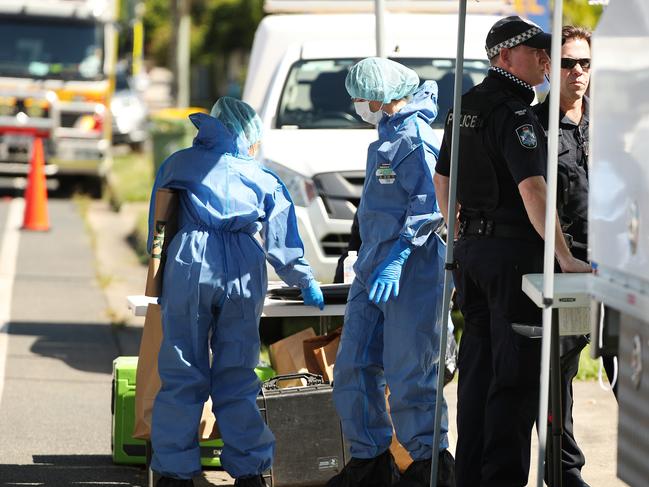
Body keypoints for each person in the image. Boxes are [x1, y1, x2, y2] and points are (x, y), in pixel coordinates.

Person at [433, 16, 591, 487]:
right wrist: (565, 259)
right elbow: (534, 193)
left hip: (474, 256)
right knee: (514, 382)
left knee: (479, 376)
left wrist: (455, 230)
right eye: (535, 51)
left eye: (548, 52)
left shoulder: (464, 106)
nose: (546, 59)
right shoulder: (516, 113)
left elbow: (443, 180)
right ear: (504, 57)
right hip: (514, 260)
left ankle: (472, 477)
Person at [147, 97, 325, 487]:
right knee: (237, 372)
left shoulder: (179, 163)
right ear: (249, 135)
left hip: (189, 263)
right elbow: (282, 237)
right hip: (243, 267)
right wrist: (304, 279)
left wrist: (158, 272)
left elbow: (159, 223)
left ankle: (174, 472)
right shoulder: (261, 176)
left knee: (181, 370)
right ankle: (249, 472)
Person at [328, 57, 454, 487]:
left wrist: (399, 256)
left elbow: (431, 205)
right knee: (353, 367)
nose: (358, 105)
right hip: (372, 268)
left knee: (410, 373)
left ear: (380, 97)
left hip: (412, 271)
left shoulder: (415, 139)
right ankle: (369, 460)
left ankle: (427, 465)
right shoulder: (384, 137)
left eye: (360, 98)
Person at [534, 25, 608, 487]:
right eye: (567, 63)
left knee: (622, 364)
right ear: (548, 67)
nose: (577, 72)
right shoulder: (534, 126)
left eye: (584, 63)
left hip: (612, 267)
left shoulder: (608, 123)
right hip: (563, 268)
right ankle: (564, 472)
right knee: (557, 372)